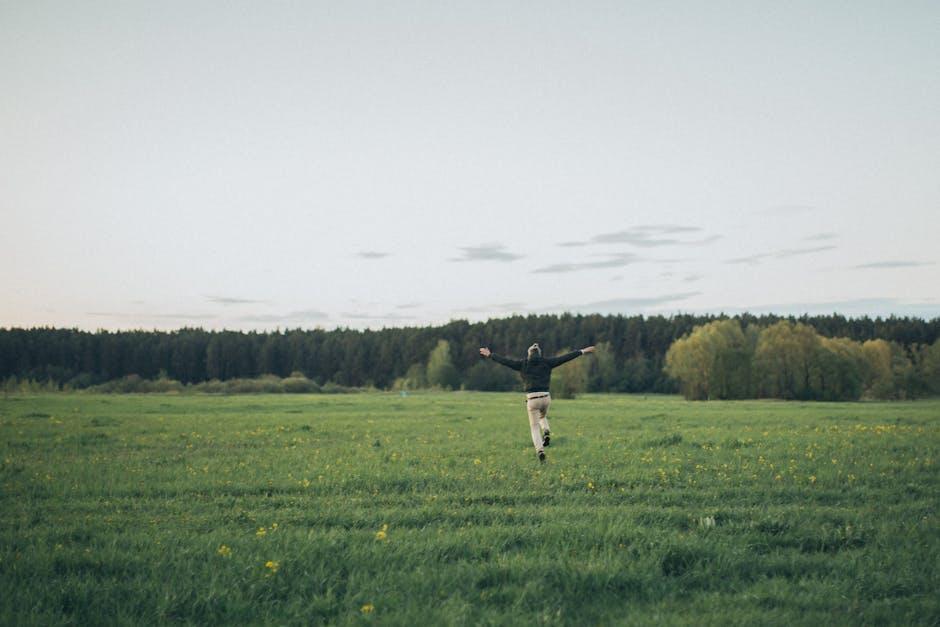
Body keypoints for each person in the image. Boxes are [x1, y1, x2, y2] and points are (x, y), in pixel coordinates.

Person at [478, 342, 595, 462]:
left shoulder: (522, 364)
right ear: (540, 354)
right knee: (542, 416)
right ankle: (546, 430)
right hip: (546, 397)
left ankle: (540, 450)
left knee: (534, 427)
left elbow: (505, 361)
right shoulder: (547, 363)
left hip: (532, 400)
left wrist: (490, 355)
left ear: (528, 354)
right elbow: (565, 358)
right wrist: (582, 351)